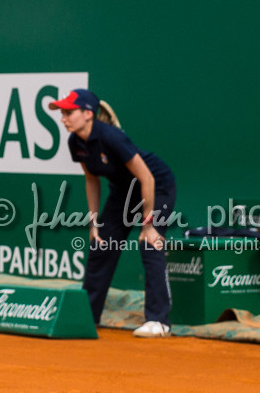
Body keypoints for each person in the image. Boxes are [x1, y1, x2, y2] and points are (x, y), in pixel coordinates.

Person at [51, 88, 176, 338]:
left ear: (88, 114)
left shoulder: (111, 137)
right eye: (62, 113)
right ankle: (87, 316)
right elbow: (92, 181)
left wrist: (148, 225)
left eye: (68, 112)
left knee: (150, 244)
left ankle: (158, 321)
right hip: (121, 192)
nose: (63, 118)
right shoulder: (75, 142)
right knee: (101, 245)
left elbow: (147, 178)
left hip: (155, 187)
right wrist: (93, 222)